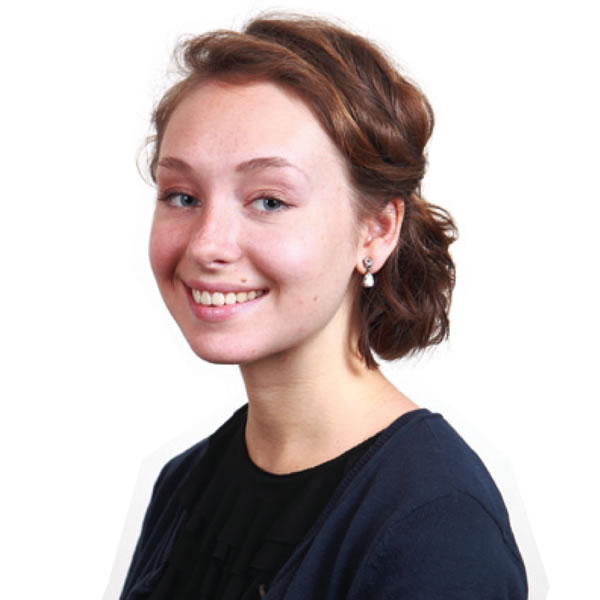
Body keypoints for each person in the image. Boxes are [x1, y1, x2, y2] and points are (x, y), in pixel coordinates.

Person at [120, 13, 528, 600]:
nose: (207, 244)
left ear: (376, 231)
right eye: (182, 196)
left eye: (268, 201)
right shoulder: (184, 485)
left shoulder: (437, 523)